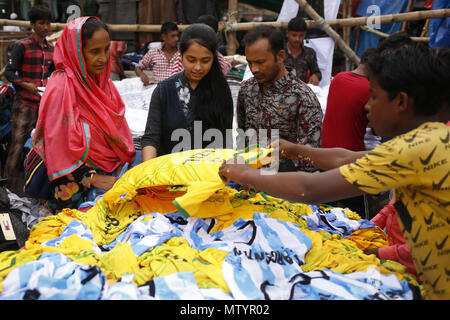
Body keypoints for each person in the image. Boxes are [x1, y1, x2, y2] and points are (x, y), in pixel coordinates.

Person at [219, 45, 449, 299]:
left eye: (373, 96)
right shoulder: (432, 139)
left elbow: (310, 189)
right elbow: (347, 158)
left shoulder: (413, 149)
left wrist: (243, 174)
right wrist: (294, 150)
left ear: (401, 102)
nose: (368, 106)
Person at [31, 17, 136, 212]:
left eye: (106, 49)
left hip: (109, 179)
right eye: (94, 51)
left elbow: (115, 131)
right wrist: (93, 179)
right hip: (71, 187)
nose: (103, 59)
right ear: (76, 52)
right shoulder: (62, 87)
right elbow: (58, 147)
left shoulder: (103, 85)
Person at [141, 24, 233, 162]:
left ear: (213, 58)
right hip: (169, 172)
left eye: (205, 61)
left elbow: (225, 142)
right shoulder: (164, 91)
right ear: (181, 54)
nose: (197, 67)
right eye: (191, 60)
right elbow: (151, 138)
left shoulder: (221, 90)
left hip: (207, 173)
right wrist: (148, 174)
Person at [237, 25, 322, 172]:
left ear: (280, 56)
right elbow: (243, 135)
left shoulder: (302, 96)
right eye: (250, 62)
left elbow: (309, 158)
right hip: (248, 183)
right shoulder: (247, 89)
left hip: (284, 187)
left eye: (260, 62)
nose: (254, 68)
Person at [4, 5, 54, 196]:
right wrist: (26, 85)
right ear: (32, 24)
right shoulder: (22, 46)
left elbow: (53, 74)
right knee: (17, 146)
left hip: (43, 106)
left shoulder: (52, 49)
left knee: (37, 148)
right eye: (41, 23)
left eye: (48, 23)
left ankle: (29, 191)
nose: (46, 27)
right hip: (24, 104)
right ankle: (8, 192)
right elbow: (9, 73)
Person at [321, 48, 378, 214]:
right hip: (351, 160)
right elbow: (375, 128)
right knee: (356, 217)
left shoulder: (338, 78)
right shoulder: (369, 89)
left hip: (325, 156)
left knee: (327, 214)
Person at [284, 16, 321, 85]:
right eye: (294, 35)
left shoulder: (309, 53)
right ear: (287, 33)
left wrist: (315, 76)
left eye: (301, 35)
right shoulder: (280, 52)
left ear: (305, 35)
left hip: (301, 92)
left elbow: (317, 72)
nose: (297, 39)